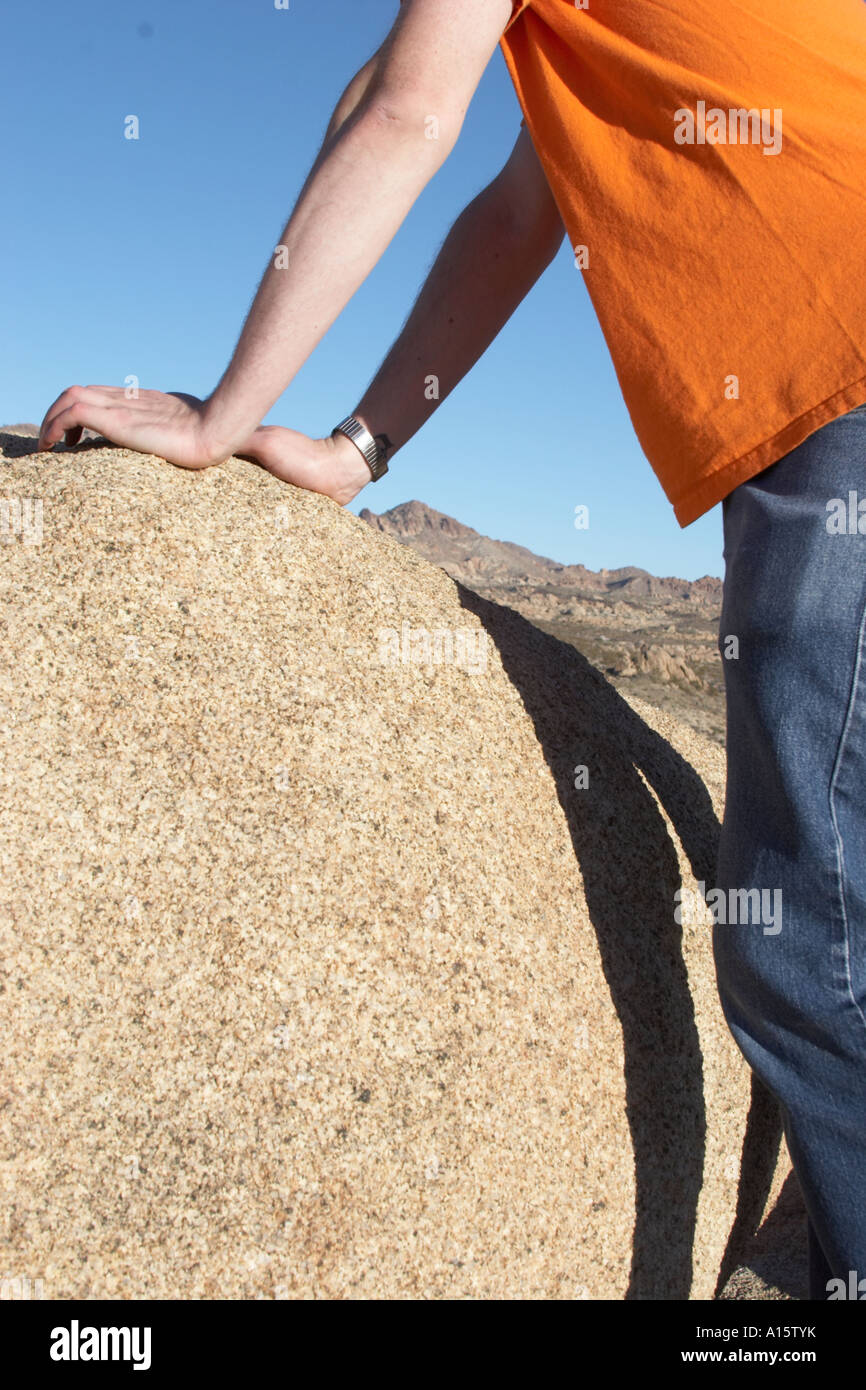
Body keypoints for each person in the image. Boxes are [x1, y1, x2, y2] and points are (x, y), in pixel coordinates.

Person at [37, 0, 866, 1300]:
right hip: (825, 390)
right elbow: (518, 215)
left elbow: (405, 108)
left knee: (804, 945)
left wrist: (221, 417)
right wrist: (360, 445)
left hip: (839, 385)